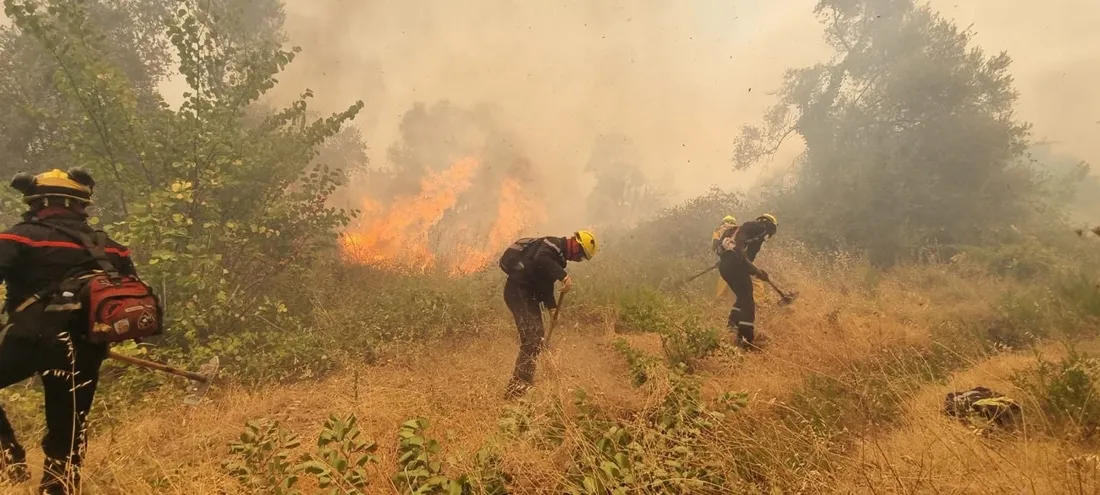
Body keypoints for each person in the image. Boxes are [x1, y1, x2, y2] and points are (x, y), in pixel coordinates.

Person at [0, 168, 138, 494]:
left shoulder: (17, 238)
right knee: (69, 432)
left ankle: (8, 457)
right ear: (80, 204)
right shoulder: (112, 248)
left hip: (27, 340)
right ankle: (58, 487)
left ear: (38, 202)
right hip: (86, 348)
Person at [498, 230, 598, 399]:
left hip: (528, 295)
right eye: (581, 256)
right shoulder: (552, 243)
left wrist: (552, 308)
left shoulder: (558, 259)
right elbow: (541, 258)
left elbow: (545, 286)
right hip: (517, 291)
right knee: (533, 339)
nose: (578, 260)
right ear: (576, 245)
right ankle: (517, 388)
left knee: (538, 339)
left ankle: (522, 385)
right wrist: (563, 276)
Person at [717, 214, 777, 349]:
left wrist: (758, 272)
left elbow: (745, 261)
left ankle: (732, 325)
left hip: (725, 266)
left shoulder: (737, 233)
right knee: (748, 302)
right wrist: (756, 270)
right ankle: (745, 340)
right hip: (735, 264)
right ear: (770, 225)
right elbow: (740, 251)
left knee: (743, 296)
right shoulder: (760, 227)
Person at [712, 215, 738, 300]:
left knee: (724, 278)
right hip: (738, 258)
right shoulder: (738, 230)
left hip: (728, 259)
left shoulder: (718, 231)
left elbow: (715, 247)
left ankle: (721, 300)